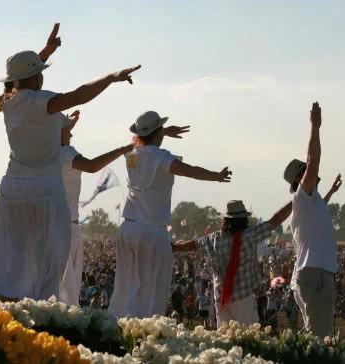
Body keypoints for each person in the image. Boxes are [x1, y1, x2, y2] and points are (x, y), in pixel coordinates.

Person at [0, 23, 141, 300]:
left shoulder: (5, 102)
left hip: (11, 191)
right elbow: (79, 94)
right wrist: (111, 77)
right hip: (44, 192)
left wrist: (44, 53)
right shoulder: (42, 102)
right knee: (48, 267)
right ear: (37, 79)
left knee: (15, 264)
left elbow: (22, 82)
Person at [108, 111, 232, 318]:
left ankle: (117, 327)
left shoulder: (131, 154)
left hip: (128, 229)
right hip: (152, 231)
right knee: (152, 290)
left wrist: (161, 131)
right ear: (157, 134)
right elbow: (190, 170)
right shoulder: (162, 157)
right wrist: (216, 176)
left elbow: (139, 144)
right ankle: (142, 334)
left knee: (125, 285)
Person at [172, 199, 293, 325]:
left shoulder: (214, 239)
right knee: (248, 337)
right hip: (243, 297)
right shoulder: (249, 235)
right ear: (244, 219)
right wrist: (295, 199)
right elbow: (275, 220)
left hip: (221, 298)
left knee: (225, 337)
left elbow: (194, 244)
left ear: (226, 220)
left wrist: (175, 247)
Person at [58, 110, 134, 305]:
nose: (72, 133)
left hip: (55, 224)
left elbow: (54, 133)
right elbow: (92, 166)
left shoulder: (44, 151)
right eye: (68, 130)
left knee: (57, 286)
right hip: (67, 228)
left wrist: (68, 124)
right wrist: (122, 149)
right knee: (69, 290)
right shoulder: (66, 153)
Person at [283, 101, 343, 338]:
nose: (312, 170)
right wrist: (315, 127)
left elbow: (319, 211)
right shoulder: (303, 196)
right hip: (315, 272)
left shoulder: (313, 200)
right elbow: (314, 160)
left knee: (320, 334)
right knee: (319, 337)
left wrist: (330, 191)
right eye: (306, 169)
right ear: (300, 177)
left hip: (317, 270)